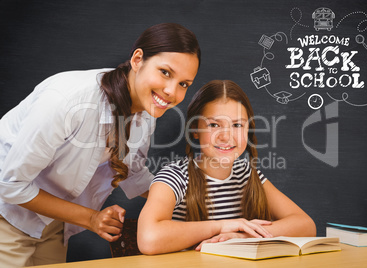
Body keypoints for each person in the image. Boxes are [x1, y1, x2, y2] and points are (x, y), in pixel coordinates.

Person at [0, 23, 200, 267]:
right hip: (5, 214)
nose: (171, 91)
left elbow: (133, 174)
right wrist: (92, 218)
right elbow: (11, 186)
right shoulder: (66, 102)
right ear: (138, 59)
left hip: (51, 222)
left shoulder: (147, 111)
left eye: (184, 84)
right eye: (165, 72)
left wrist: (197, 203)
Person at [137, 80, 316, 255]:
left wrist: (242, 235)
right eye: (214, 125)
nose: (226, 136)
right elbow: (148, 239)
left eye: (237, 125)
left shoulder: (246, 174)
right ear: (195, 131)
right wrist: (222, 226)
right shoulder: (174, 177)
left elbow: (306, 225)